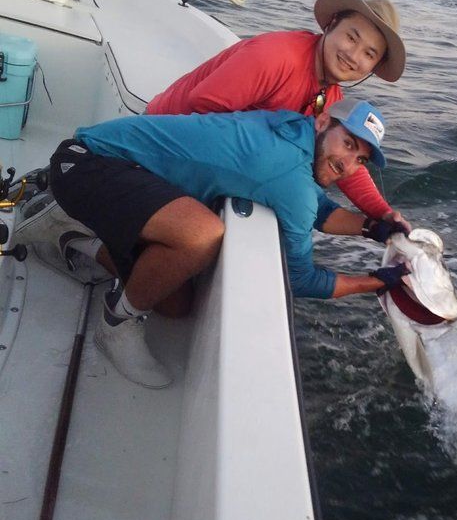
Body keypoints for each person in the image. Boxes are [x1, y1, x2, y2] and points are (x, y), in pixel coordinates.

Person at [16, 98, 409, 389]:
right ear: (325, 121)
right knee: (202, 234)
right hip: (89, 163)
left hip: (116, 170)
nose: (349, 161)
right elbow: (301, 279)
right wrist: (376, 282)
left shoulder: (295, 130)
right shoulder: (288, 173)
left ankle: (69, 233)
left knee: (175, 303)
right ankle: (116, 324)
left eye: (360, 158)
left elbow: (317, 206)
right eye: (348, 142)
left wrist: (368, 228)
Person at [146, 0, 408, 225]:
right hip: (158, 143)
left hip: (201, 158)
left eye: (369, 54)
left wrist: (383, 213)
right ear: (331, 24)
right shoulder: (276, 57)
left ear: (373, 68)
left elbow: (344, 159)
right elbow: (201, 106)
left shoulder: (331, 96)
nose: (353, 56)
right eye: (352, 38)